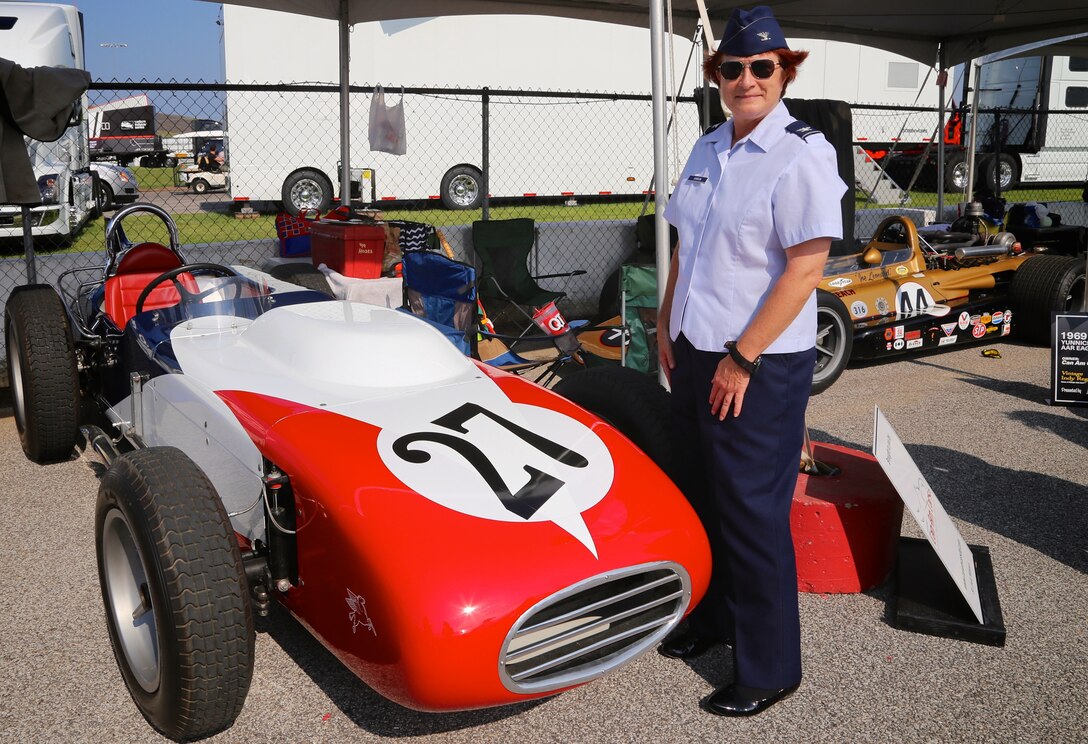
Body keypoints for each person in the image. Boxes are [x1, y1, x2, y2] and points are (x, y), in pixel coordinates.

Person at [656, 6, 846, 717]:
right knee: (701, 496)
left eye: (761, 67)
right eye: (732, 69)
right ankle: (712, 622)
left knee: (752, 514)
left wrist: (742, 356)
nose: (746, 80)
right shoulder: (709, 148)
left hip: (757, 367)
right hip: (698, 352)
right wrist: (664, 321)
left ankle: (770, 668)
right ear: (719, 77)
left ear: (784, 72)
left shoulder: (802, 153)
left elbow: (804, 271)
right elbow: (685, 246)